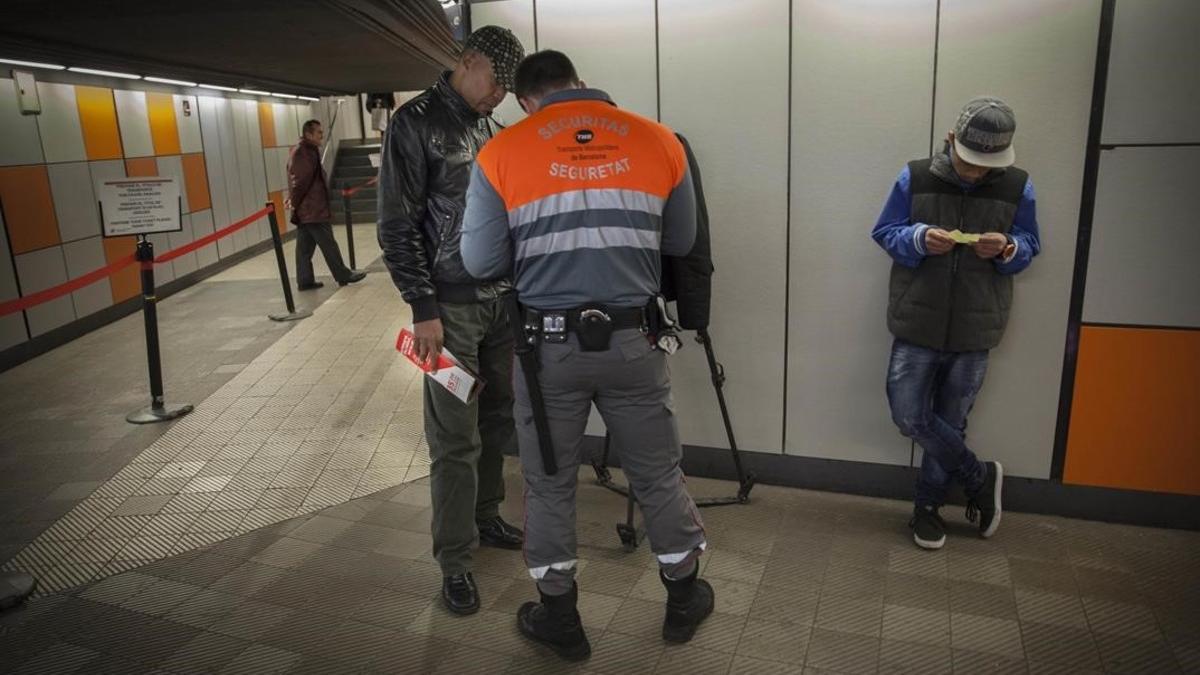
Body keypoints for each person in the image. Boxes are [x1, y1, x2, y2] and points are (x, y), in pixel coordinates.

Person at [461, 50, 713, 661]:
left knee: (549, 484)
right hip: (634, 342)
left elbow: (480, 263)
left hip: (548, 352)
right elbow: (680, 241)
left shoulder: (500, 153)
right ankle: (683, 599)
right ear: (580, 83)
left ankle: (561, 619)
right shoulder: (660, 141)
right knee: (656, 472)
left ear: (526, 100)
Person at [376, 25, 527, 615]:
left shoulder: (491, 130)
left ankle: (487, 515)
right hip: (450, 311)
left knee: (496, 420)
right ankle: (456, 562)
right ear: (468, 62)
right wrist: (423, 309)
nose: (500, 96)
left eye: (510, 89)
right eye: (496, 82)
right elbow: (396, 224)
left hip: (499, 305)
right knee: (453, 437)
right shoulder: (415, 124)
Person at [871, 96, 1041, 550]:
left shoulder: (1018, 186)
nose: (976, 173)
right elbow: (885, 232)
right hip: (916, 321)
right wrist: (919, 238)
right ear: (951, 140)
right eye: (969, 162)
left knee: (952, 418)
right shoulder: (916, 175)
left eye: (986, 165)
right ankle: (976, 475)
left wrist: (1007, 248)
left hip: (977, 326)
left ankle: (926, 509)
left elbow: (1030, 245)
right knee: (908, 415)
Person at [287, 120, 365, 290]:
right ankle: (342, 274)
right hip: (312, 209)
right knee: (328, 244)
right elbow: (300, 181)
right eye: (319, 132)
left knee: (304, 249)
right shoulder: (303, 152)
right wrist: (294, 201)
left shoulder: (307, 150)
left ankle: (305, 280)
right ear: (309, 134)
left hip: (307, 209)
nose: (322, 135)